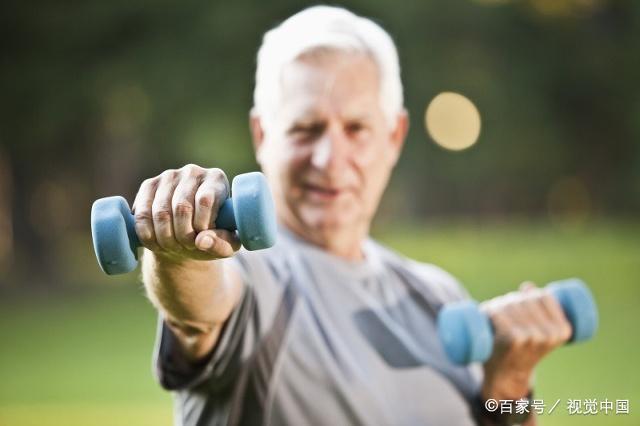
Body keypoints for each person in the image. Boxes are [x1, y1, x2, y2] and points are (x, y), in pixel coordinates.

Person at [133, 6, 571, 425]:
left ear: (394, 137)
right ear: (263, 135)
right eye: (306, 129)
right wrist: (178, 257)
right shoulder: (250, 274)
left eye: (356, 129)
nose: (329, 158)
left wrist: (509, 391)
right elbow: (199, 312)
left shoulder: (440, 296)